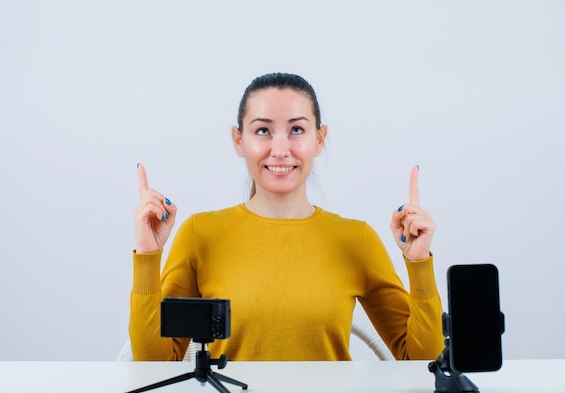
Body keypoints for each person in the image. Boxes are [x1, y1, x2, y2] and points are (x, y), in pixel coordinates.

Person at [128, 72, 444, 361]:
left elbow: (422, 362)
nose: (280, 149)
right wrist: (147, 255)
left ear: (319, 139)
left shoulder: (356, 239)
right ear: (239, 140)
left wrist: (418, 265)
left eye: (296, 130)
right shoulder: (200, 234)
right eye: (263, 130)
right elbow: (154, 365)